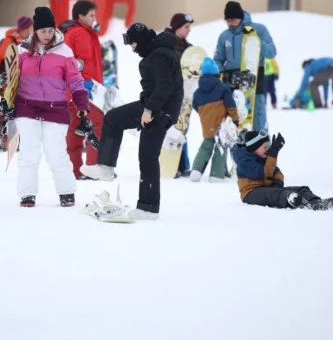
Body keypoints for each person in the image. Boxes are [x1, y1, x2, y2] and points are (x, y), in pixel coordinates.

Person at [80, 24, 184, 220]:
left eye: (133, 43)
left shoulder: (159, 55)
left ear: (141, 41)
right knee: (113, 118)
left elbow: (165, 87)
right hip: (155, 107)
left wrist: (150, 110)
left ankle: (148, 208)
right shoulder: (157, 52)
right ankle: (106, 167)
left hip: (159, 111)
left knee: (148, 157)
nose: (132, 48)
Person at [15, 7, 90, 207]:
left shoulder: (65, 52)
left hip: (55, 108)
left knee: (56, 153)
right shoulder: (23, 50)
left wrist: (82, 102)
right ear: (35, 31)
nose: (47, 35)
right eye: (43, 31)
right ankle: (27, 194)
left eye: (50, 30)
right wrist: (5, 92)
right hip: (27, 107)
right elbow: (12, 78)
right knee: (29, 153)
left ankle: (66, 191)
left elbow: (75, 80)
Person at [233, 130, 333, 210]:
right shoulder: (244, 162)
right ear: (254, 148)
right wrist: (273, 153)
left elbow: (276, 172)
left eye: (268, 147)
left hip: (266, 189)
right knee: (276, 194)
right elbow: (266, 172)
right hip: (250, 194)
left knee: (301, 189)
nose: (267, 149)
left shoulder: (264, 158)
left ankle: (316, 202)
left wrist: (277, 183)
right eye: (264, 147)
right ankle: (296, 201)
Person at [214, 1, 277, 131]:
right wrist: (221, 73)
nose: (230, 23)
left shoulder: (259, 30)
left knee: (258, 123)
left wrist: (255, 39)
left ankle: (263, 150)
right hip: (232, 86)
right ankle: (239, 152)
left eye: (233, 20)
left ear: (240, 17)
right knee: (236, 127)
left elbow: (272, 52)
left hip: (254, 84)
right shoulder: (224, 36)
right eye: (227, 21)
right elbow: (218, 60)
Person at [60, 0, 104, 180]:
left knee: (74, 129)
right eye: (91, 15)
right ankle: (93, 169)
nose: (94, 18)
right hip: (86, 90)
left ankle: (75, 170)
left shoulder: (75, 33)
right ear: (80, 16)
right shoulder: (79, 34)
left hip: (74, 91)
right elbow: (75, 64)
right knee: (97, 126)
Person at [191, 57, 239, 182]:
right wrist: (235, 119)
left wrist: (205, 114)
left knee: (206, 146)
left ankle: (196, 171)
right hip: (221, 124)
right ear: (216, 73)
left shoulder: (197, 92)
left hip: (206, 124)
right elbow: (230, 105)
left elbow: (195, 106)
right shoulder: (223, 87)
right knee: (221, 146)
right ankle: (216, 175)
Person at [0, 15, 33, 150]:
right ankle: (0, 137)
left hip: (22, 81)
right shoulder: (9, 41)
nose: (32, 29)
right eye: (31, 27)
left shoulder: (29, 41)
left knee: (19, 109)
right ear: (25, 28)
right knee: (6, 107)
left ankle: (14, 138)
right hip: (6, 81)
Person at [163, 12, 194, 177]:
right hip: (166, 94)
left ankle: (182, 165)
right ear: (177, 27)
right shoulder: (164, 44)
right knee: (168, 128)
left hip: (183, 95)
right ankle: (167, 163)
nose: (189, 30)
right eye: (186, 27)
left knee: (182, 127)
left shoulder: (188, 49)